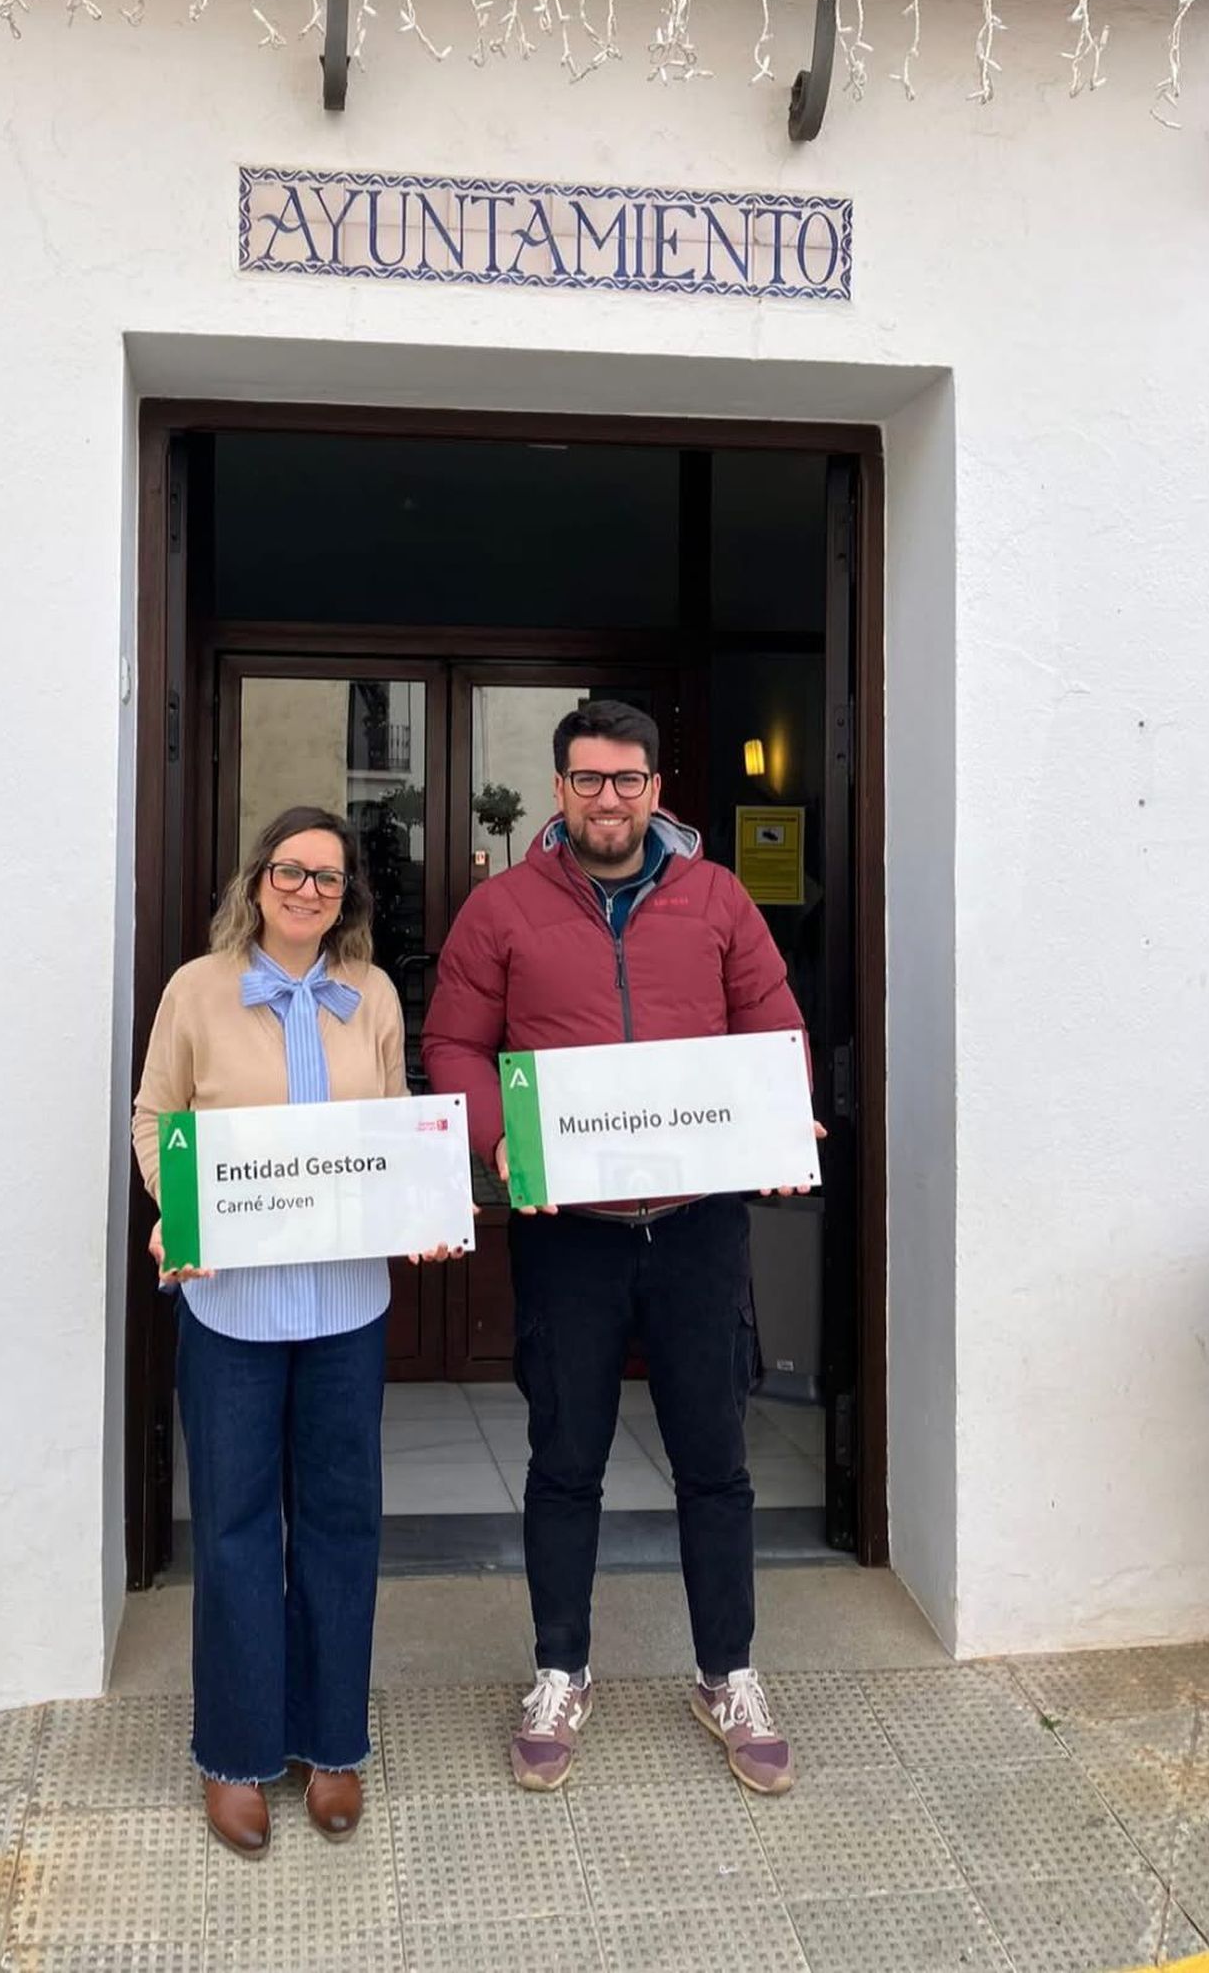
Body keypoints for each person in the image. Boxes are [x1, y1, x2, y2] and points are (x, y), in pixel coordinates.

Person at [424, 700, 820, 1800]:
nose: (610, 796)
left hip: (696, 1227)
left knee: (716, 1460)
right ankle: (559, 1669)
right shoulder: (500, 908)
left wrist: (785, 1130)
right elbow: (453, 1040)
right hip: (571, 1239)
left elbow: (770, 1025)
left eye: (628, 778)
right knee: (564, 1461)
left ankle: (727, 1670)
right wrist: (500, 1143)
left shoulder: (716, 897)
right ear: (558, 789)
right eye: (589, 778)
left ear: (656, 786)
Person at [134, 805, 458, 1859]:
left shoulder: (369, 994)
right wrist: (176, 1212)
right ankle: (234, 1752)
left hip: (344, 1309)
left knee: (339, 1524)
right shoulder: (197, 987)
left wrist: (422, 1209)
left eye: (327, 876)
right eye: (290, 870)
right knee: (231, 1530)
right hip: (231, 1309)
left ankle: (331, 1742)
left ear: (346, 893)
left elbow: (395, 1115)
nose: (307, 889)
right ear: (258, 879)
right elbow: (156, 1117)